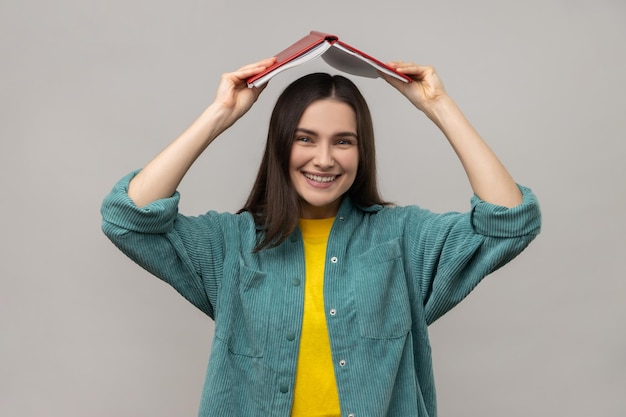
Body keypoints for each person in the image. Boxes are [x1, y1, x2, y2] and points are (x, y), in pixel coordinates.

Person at [101, 56, 541, 417]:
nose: (324, 159)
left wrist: (438, 105)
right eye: (305, 138)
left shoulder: (402, 239)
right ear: (280, 145)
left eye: (343, 141)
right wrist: (220, 115)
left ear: (362, 150)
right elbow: (128, 217)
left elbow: (511, 220)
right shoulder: (231, 244)